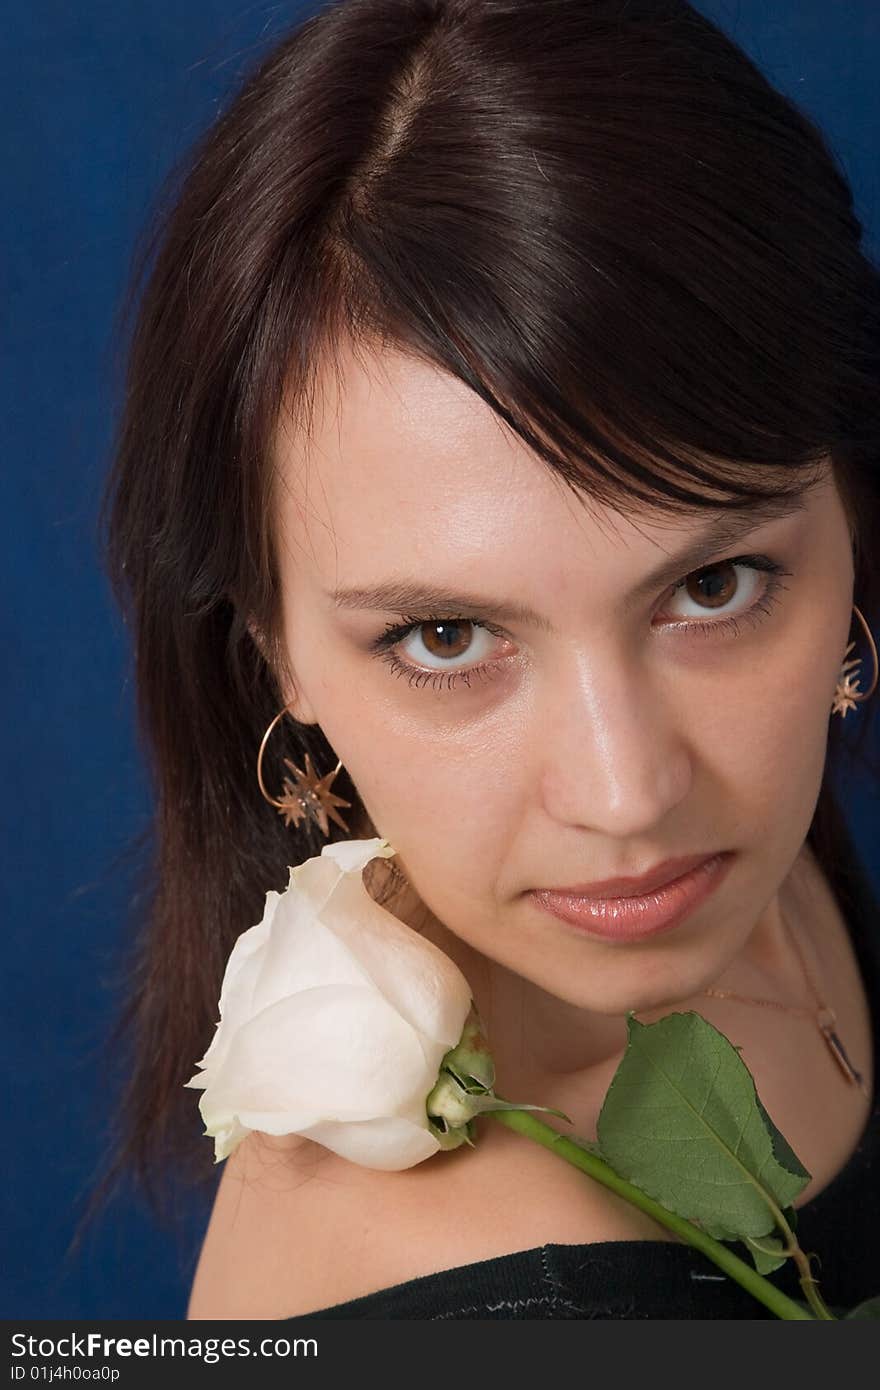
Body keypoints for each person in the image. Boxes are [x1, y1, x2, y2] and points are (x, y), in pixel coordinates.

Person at [93, 0, 879, 1319]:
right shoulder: (458, 1303)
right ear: (274, 646)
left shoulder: (730, 871)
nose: (628, 793)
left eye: (711, 585)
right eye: (445, 637)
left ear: (853, 516)